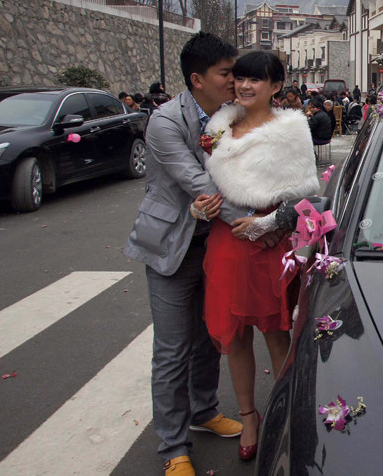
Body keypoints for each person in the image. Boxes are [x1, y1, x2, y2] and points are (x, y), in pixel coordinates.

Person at [125, 33, 263, 476]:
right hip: (172, 246)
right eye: (226, 73)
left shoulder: (232, 116)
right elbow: (201, 185)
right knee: (171, 348)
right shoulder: (165, 122)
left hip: (215, 245)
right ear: (197, 79)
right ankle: (172, 447)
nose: (234, 80)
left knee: (211, 337)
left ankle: (203, 410)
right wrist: (262, 225)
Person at [192, 51, 319, 463]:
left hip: (268, 245)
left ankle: (284, 411)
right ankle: (249, 415)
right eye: (241, 79)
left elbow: (305, 193)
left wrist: (270, 226)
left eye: (256, 80)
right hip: (227, 242)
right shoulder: (219, 127)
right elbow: (205, 184)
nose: (245, 86)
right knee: (235, 336)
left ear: (276, 86)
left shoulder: (290, 131)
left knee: (275, 332)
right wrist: (200, 207)